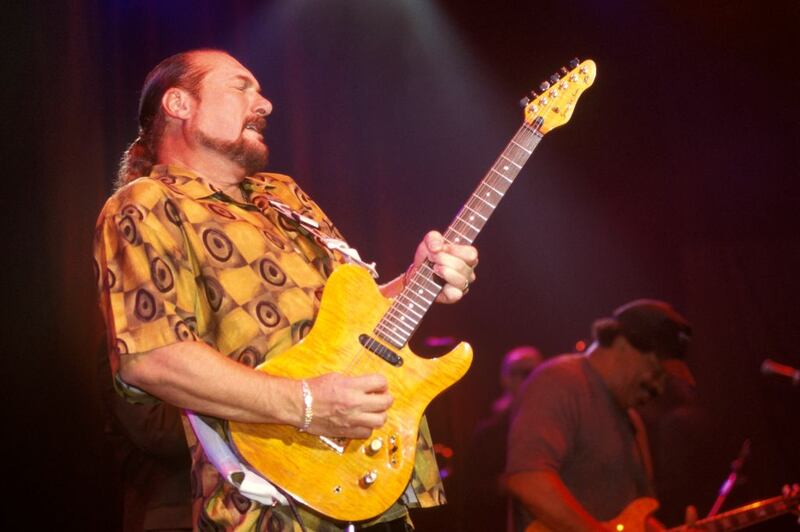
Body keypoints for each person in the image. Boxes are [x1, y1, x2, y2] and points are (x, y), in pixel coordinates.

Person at [93, 49, 478, 531]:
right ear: (179, 104)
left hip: (372, 482)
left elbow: (353, 324)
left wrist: (416, 282)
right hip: (270, 505)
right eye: (241, 87)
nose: (265, 104)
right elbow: (152, 358)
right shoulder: (146, 202)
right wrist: (309, 405)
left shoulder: (283, 195)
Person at [504, 300, 693, 531]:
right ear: (622, 344)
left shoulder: (632, 421)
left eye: (665, 379)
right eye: (655, 370)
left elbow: (634, 518)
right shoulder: (560, 383)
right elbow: (528, 480)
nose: (659, 388)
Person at [461, 346, 543, 532]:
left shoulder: (551, 424)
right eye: (525, 373)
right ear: (505, 378)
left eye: (537, 373)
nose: (532, 380)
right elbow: (469, 489)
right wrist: (507, 483)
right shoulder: (489, 432)